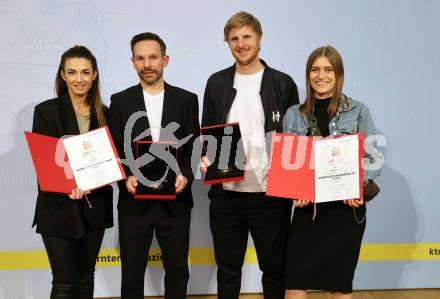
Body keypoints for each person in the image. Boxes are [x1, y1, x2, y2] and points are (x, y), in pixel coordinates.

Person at [200, 11, 299, 299]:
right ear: (227, 43)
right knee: (228, 271)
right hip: (226, 195)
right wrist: (205, 158)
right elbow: (207, 131)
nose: (241, 44)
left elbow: (294, 138)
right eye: (234, 39)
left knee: (274, 270)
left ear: (259, 39)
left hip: (271, 196)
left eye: (246, 37)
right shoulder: (216, 83)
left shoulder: (283, 83)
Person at [282, 46, 383, 299]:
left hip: (345, 211)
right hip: (309, 210)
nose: (321, 75)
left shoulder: (359, 111)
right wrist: (295, 189)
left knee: (340, 283)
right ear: (308, 74)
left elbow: (373, 157)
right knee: (294, 280)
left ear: (338, 74)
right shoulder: (294, 114)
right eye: (315, 69)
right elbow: (287, 160)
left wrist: (358, 186)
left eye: (328, 69)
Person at [108, 32, 200, 299]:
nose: (147, 64)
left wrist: (186, 174)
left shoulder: (187, 99)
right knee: (132, 275)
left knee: (178, 273)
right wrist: (125, 178)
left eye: (153, 57)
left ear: (165, 60)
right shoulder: (120, 101)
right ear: (133, 62)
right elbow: (114, 149)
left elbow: (194, 145)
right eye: (140, 58)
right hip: (134, 203)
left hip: (176, 201)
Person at [31, 45, 113, 299]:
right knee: (65, 283)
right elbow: (45, 163)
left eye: (85, 72)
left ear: (94, 75)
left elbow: (110, 162)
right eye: (72, 72)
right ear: (63, 75)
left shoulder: (106, 113)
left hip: (94, 207)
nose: (79, 79)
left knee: (86, 279)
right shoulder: (46, 111)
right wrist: (69, 185)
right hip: (57, 209)